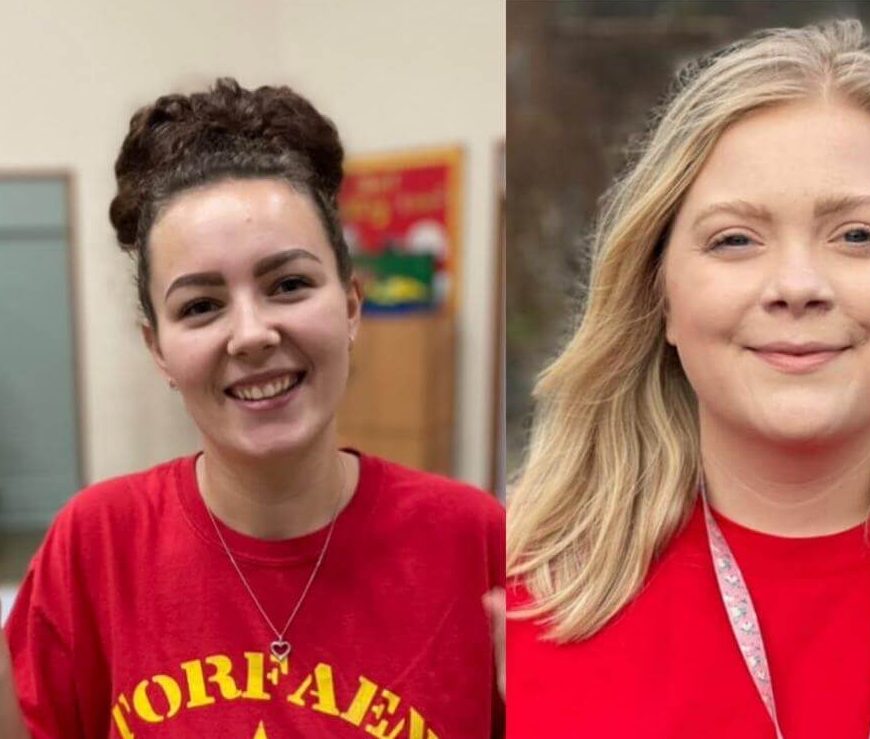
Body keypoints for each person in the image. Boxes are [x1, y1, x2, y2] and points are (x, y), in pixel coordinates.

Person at [507, 19, 870, 738]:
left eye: (858, 235)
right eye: (735, 239)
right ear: (662, 298)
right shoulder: (515, 610)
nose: (797, 285)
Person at [0, 79, 505, 738]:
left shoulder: (479, 542)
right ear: (158, 348)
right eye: (201, 305)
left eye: (289, 284)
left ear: (351, 306)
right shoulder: (94, 546)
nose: (252, 333)